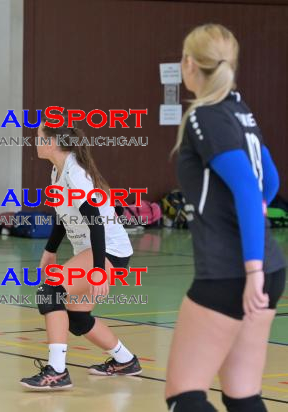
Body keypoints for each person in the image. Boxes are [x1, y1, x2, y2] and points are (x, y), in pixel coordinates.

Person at [165, 24, 286, 412]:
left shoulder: (206, 117)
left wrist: (250, 273)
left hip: (229, 273)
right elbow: (271, 182)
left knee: (184, 397)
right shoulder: (239, 111)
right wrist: (257, 268)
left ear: (188, 63)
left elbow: (251, 191)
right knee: (242, 394)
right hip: (269, 266)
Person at [20, 114, 141, 391]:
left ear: (52, 142)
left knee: (50, 292)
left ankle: (57, 372)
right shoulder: (57, 172)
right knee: (76, 315)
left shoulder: (76, 175)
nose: (35, 142)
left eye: (39, 137)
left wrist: (99, 272)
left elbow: (96, 222)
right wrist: (50, 251)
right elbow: (64, 216)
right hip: (95, 250)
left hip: (108, 251)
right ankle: (125, 360)